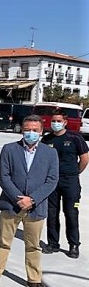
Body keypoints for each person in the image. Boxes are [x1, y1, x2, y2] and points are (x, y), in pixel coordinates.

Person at [0, 115, 59, 287]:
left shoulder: (50, 153)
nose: (30, 133)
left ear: (41, 132)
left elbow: (52, 180)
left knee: (33, 245)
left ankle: (34, 279)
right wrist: (18, 199)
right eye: (27, 129)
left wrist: (32, 199)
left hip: (36, 207)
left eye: (34, 130)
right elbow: (4, 176)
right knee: (4, 241)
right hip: (11, 204)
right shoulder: (9, 149)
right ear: (22, 130)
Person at [41, 109, 89, 258]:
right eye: (53, 121)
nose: (55, 123)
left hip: (70, 181)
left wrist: (75, 173)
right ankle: (53, 243)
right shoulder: (47, 139)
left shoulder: (75, 138)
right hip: (52, 181)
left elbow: (84, 159)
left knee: (71, 213)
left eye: (58, 121)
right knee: (52, 213)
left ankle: (74, 245)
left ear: (65, 122)